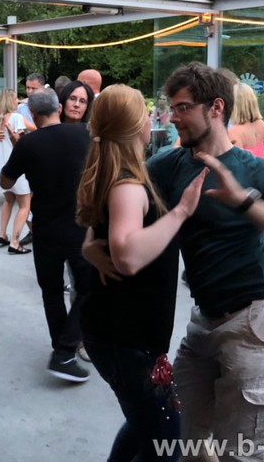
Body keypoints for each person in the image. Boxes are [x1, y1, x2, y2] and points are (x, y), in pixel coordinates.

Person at [85, 63, 264, 462]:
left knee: (239, 452)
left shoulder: (254, 170)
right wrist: (90, 244)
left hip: (258, 321)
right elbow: (113, 201)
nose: (172, 117)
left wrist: (243, 200)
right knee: (182, 438)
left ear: (216, 108)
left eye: (182, 108)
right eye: (171, 108)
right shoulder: (168, 165)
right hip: (205, 320)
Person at [77, 84, 207, 461]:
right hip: (127, 340)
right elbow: (127, 256)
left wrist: (90, 247)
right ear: (138, 126)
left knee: (142, 425)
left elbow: (100, 235)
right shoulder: (128, 185)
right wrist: (181, 212)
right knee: (166, 443)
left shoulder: (114, 174)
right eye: (146, 114)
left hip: (119, 334)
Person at [0, 88, 93, 382]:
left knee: (51, 291)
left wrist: (17, 148)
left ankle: (62, 350)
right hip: (79, 226)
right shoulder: (84, 134)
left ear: (32, 113)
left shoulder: (28, 144)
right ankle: (65, 351)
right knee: (89, 288)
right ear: (59, 108)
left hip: (45, 228)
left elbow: (5, 181)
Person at [229, 82, 264, 258]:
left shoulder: (234, 131)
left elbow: (236, 161)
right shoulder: (260, 125)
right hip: (263, 181)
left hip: (246, 185)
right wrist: (259, 155)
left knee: (246, 234)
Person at [0, 89, 31, 254]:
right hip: (16, 166)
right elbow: (25, 136)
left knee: (8, 200)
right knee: (25, 204)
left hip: (1, 166)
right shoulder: (16, 117)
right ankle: (15, 242)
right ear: (9, 101)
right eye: (15, 99)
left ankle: (2, 234)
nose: (17, 101)